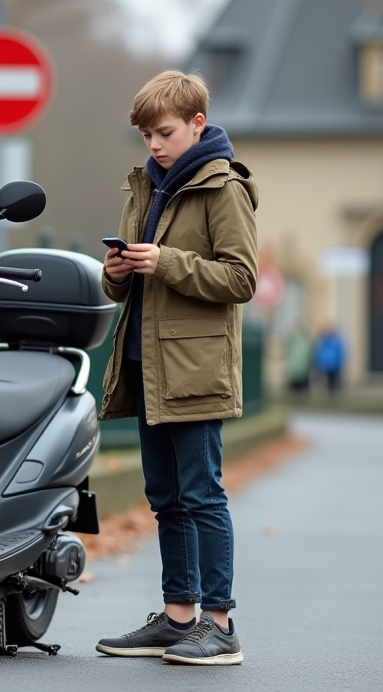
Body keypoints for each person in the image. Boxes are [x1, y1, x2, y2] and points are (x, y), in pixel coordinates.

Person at [94, 70, 258, 666]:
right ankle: (178, 617)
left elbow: (240, 280)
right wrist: (116, 274)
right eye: (145, 136)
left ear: (196, 123)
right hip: (148, 365)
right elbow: (135, 287)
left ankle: (220, 625)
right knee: (164, 496)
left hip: (196, 368)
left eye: (163, 132)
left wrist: (166, 261)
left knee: (201, 494)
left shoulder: (223, 187)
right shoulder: (145, 186)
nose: (154, 146)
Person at [314, 326, 345, 396]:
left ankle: (334, 393)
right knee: (330, 379)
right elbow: (320, 353)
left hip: (333, 364)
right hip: (329, 364)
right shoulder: (325, 342)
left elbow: (339, 353)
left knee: (333, 379)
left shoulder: (334, 342)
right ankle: (331, 393)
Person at [284, 323, 313, 395]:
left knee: (297, 385)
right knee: (300, 385)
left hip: (298, 366)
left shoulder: (295, 339)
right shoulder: (304, 339)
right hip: (300, 366)